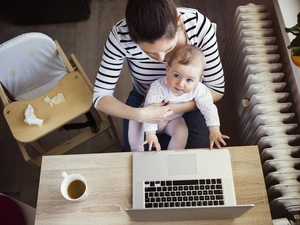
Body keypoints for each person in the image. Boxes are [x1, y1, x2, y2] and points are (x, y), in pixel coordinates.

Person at [93, 0, 225, 151]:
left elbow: (216, 89)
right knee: (137, 157)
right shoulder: (120, 36)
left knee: (196, 157)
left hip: (190, 100)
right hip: (143, 100)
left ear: (178, 21)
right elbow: (100, 97)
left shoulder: (198, 26)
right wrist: (140, 114)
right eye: (150, 53)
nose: (162, 60)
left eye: (169, 48)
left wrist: (173, 108)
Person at [129, 45, 229, 151]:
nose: (180, 84)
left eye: (189, 80)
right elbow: (150, 110)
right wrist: (151, 134)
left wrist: (214, 130)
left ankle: (173, 154)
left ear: (199, 79)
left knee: (182, 131)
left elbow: (209, 108)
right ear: (168, 69)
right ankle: (136, 150)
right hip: (148, 118)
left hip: (172, 120)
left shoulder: (199, 89)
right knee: (135, 120)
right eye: (176, 76)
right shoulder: (159, 86)